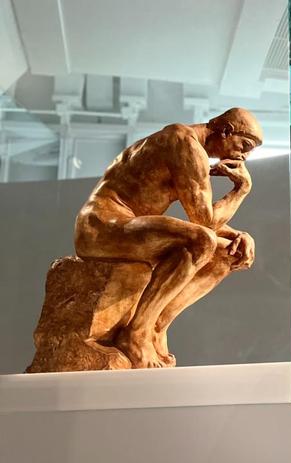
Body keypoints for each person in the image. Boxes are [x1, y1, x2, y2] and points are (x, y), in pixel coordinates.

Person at [74, 107, 263, 368]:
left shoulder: (189, 146)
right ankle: (136, 333)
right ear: (226, 130)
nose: (244, 156)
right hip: (101, 226)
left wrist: (238, 235)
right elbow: (205, 223)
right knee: (201, 241)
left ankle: (155, 326)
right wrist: (241, 189)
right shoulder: (184, 144)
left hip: (128, 224)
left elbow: (201, 217)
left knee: (228, 252)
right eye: (244, 145)